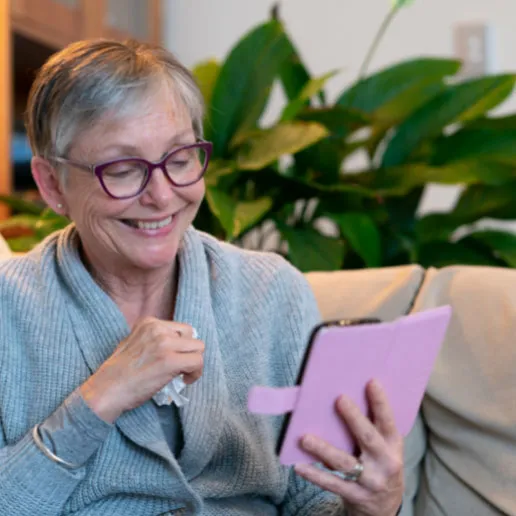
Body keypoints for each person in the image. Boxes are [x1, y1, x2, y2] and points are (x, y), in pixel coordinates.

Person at [0, 39, 404, 515]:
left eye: (179, 159)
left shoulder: (273, 292)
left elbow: (312, 497)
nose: (162, 195)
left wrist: (374, 506)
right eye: (125, 169)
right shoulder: (10, 307)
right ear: (51, 184)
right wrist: (99, 398)